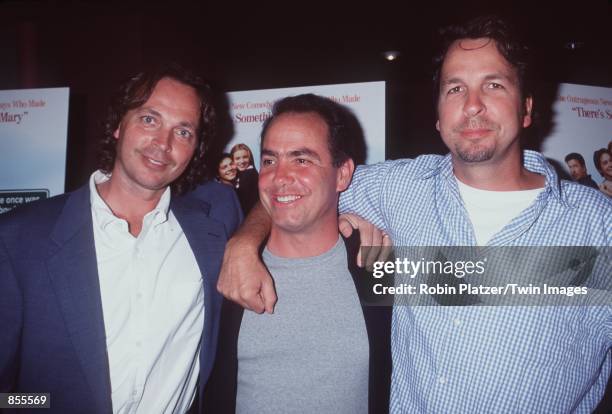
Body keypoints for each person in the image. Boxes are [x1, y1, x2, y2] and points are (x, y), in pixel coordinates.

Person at [217, 15, 612, 412]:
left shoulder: (598, 227)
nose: (473, 105)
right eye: (455, 88)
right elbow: (291, 190)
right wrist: (243, 242)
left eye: (493, 85)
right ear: (439, 116)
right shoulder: (399, 190)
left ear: (527, 108)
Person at [0, 64, 242, 413]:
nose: (163, 143)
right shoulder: (19, 239)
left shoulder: (213, 224)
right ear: (117, 125)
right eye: (149, 119)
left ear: (196, 148)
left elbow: (274, 207)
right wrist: (44, 406)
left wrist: (249, 241)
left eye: (184, 131)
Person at [204, 94, 391, 414]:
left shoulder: (378, 264)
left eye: (302, 159)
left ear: (343, 174)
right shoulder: (223, 272)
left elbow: (500, 282)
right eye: (270, 160)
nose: (280, 176)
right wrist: (244, 241)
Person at [231, 143, 260, 214]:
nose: (242, 161)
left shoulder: (250, 175)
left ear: (250, 158)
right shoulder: (238, 177)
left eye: (245, 157)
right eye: (237, 158)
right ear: (233, 161)